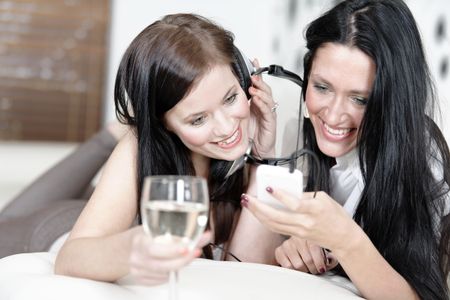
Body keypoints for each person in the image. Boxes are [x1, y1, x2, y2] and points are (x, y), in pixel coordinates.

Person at [239, 0, 450, 299]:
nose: (334, 115)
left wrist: (344, 239)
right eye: (322, 88)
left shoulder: (422, 155)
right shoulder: (292, 130)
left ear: (393, 101)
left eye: (360, 100)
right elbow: (245, 269)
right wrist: (292, 252)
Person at [54, 13, 281, 285]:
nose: (225, 127)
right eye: (198, 119)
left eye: (230, 98)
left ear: (245, 79)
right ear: (164, 125)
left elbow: (245, 269)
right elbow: (69, 258)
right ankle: (113, 132)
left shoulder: (250, 154)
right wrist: (130, 248)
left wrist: (263, 159)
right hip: (51, 225)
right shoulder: (138, 150)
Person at [0, 122, 128, 259]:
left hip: (62, 225)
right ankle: (112, 136)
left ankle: (112, 136)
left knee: (7, 222)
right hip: (64, 227)